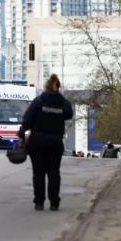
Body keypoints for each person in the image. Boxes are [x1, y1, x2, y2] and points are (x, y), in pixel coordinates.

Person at [18, 74, 73, 212]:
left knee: (38, 173)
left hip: (37, 142)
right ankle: (54, 203)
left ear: (46, 87)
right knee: (54, 173)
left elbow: (27, 119)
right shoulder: (63, 103)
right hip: (55, 143)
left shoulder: (38, 101)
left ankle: (39, 202)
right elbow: (69, 114)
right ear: (58, 87)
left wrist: (21, 134)